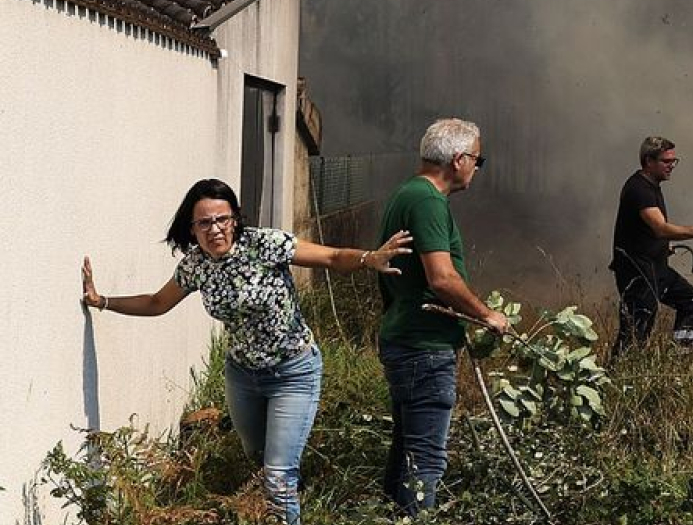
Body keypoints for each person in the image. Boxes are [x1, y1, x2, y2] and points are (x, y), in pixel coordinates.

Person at [80, 178, 413, 525]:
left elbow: (329, 257)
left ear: (235, 219)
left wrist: (367, 258)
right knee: (258, 459)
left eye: (223, 219)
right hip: (243, 376)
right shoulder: (196, 267)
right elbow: (157, 302)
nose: (216, 229)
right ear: (192, 229)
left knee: (278, 476)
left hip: (293, 372)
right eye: (205, 223)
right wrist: (102, 301)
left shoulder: (266, 244)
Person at [376, 118, 510, 516]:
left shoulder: (409, 193)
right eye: (477, 160)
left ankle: (392, 517)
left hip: (405, 340)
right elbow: (442, 278)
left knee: (406, 451)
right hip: (423, 348)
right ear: (459, 159)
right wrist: (488, 315)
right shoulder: (427, 201)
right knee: (427, 462)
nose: (476, 168)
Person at [610, 136, 693, 359]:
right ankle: (614, 379)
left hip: (655, 267)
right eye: (666, 161)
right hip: (637, 272)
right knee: (636, 331)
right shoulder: (639, 189)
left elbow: (647, 230)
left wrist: (662, 246)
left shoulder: (652, 186)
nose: (672, 165)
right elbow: (660, 228)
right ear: (649, 161)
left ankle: (682, 359)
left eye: (674, 160)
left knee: (691, 301)